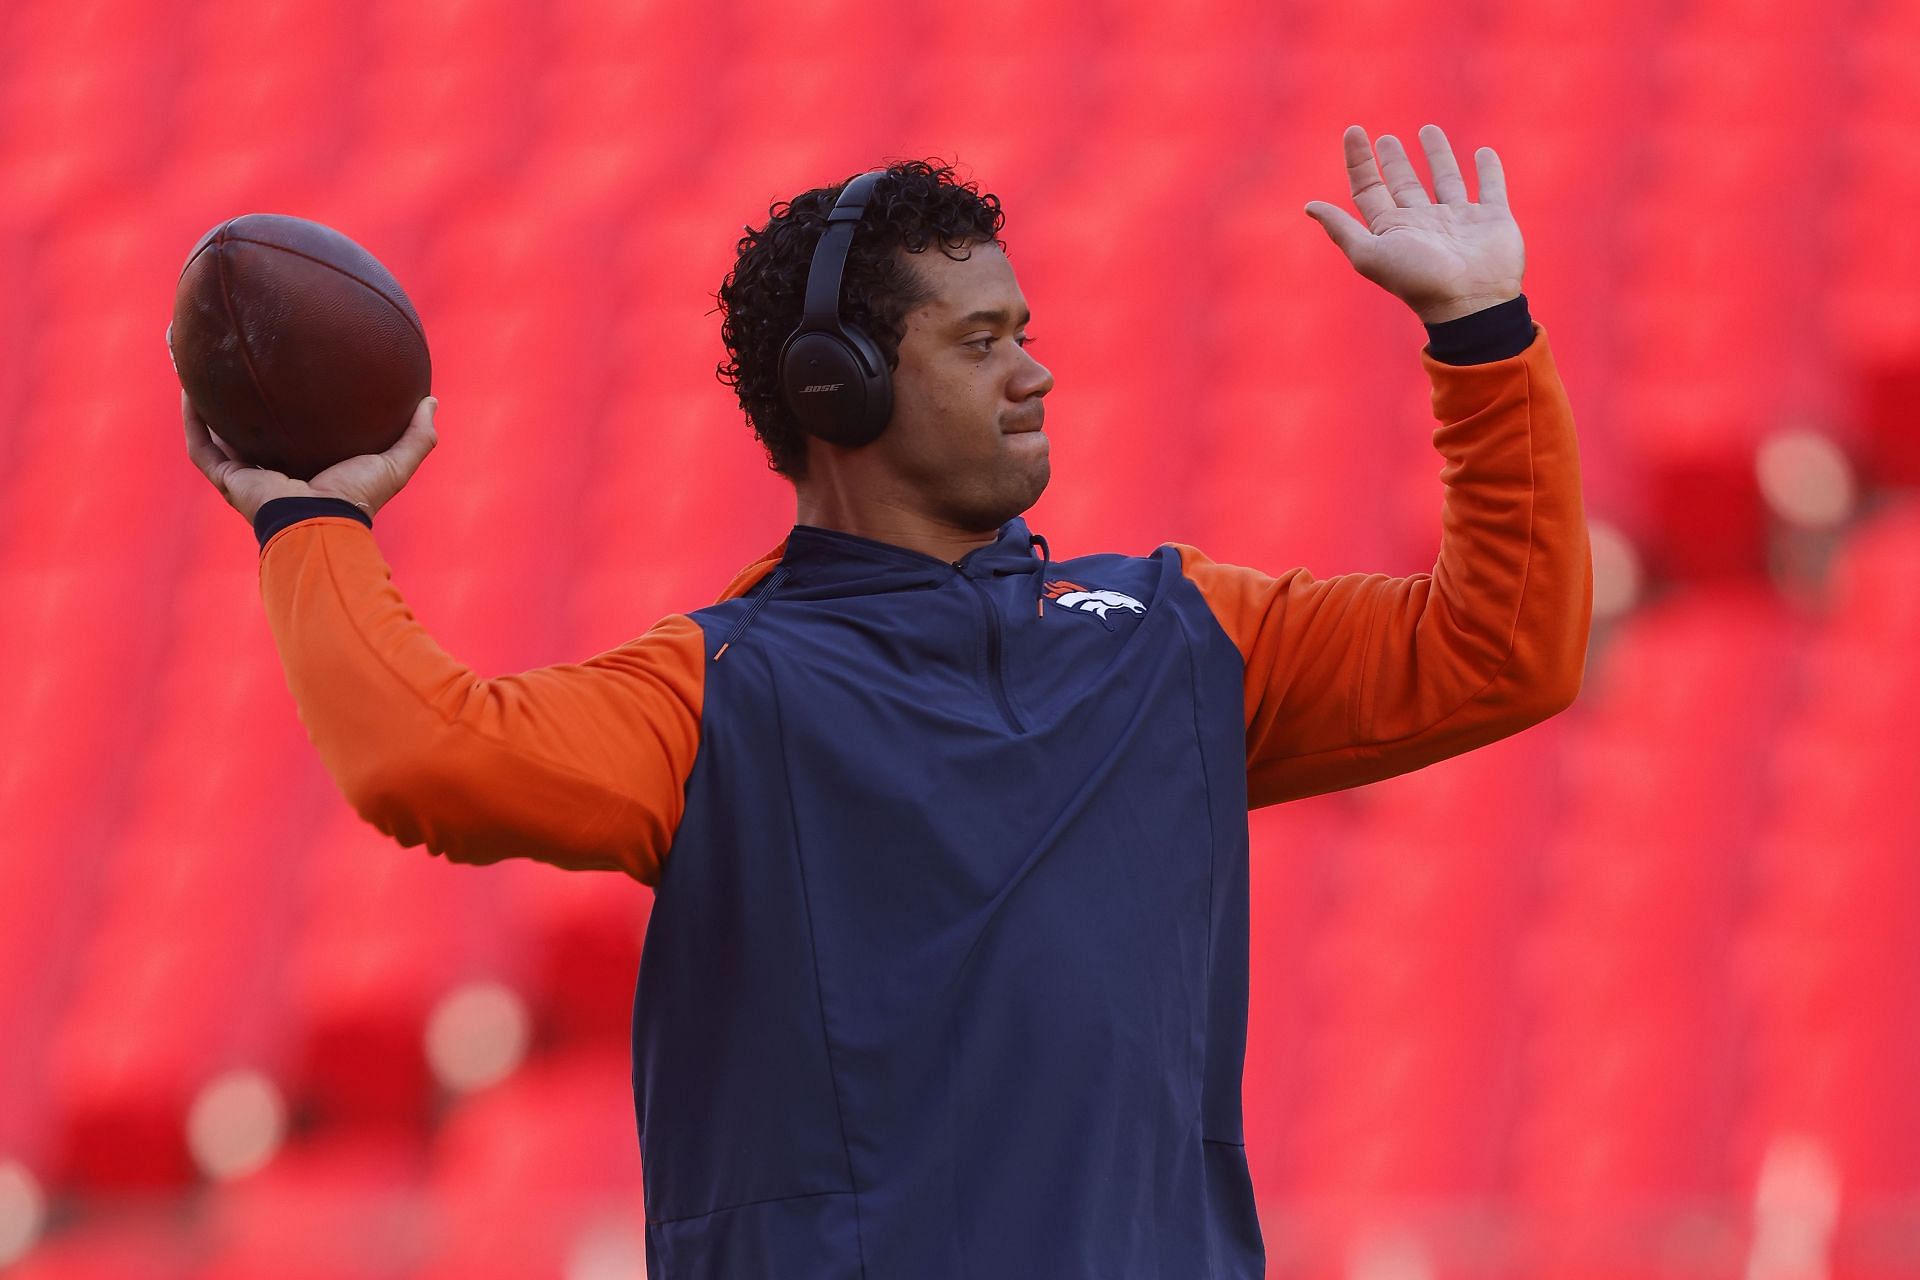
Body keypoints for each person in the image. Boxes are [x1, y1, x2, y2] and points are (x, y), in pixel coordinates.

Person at [185, 126, 1591, 1279]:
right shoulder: (728, 687)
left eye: (1023, 330)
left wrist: (1480, 333)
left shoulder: (1175, 632)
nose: (1035, 371)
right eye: (979, 341)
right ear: (835, 389)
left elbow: (1505, 646)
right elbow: (426, 760)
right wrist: (313, 527)